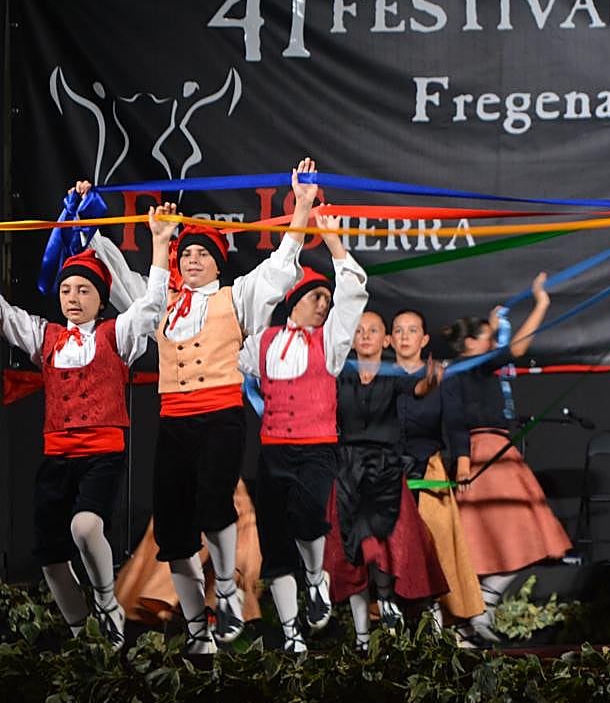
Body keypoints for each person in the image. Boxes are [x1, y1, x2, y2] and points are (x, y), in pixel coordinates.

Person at [87, 159, 316, 652]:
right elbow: (120, 274)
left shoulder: (236, 297)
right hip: (173, 420)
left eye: (201, 254)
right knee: (172, 535)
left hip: (221, 413)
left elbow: (281, 264)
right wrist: (85, 217)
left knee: (215, 504)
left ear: (217, 263)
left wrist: (299, 205)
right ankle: (197, 629)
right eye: (185, 253)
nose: (191, 260)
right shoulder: (160, 302)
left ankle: (229, 593)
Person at [0, 204, 175, 648]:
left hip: (102, 452)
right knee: (50, 557)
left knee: (84, 527)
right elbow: (4, 315)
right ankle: (83, 634)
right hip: (57, 455)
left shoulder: (118, 335)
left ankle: (106, 600)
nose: (73, 298)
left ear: (101, 298)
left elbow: (152, 305)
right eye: (66, 290)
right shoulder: (46, 337)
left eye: (83, 290)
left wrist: (158, 242)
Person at [239, 212, 367, 653]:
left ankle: (316, 579)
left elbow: (352, 292)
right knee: (275, 543)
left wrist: (332, 242)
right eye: (316, 296)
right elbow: (221, 356)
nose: (324, 304)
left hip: (316, 448)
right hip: (273, 450)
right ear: (293, 300)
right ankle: (292, 633)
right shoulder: (263, 342)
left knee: (311, 516)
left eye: (325, 299)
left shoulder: (328, 344)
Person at [442, 273, 572, 642]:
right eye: (486, 337)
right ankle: (475, 614)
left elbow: (503, 351)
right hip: (483, 455)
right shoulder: (465, 368)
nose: (493, 341)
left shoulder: (470, 367)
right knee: (494, 540)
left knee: (516, 539)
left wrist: (494, 326)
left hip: (497, 452)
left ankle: (483, 606)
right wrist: (542, 303)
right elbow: (514, 349)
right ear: (470, 343)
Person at [323, 311, 448, 651]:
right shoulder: (339, 375)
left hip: (385, 474)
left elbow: (418, 388)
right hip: (347, 472)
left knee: (384, 552)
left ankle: (387, 604)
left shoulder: (395, 375)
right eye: (359, 330)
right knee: (353, 559)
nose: (365, 336)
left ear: (386, 340)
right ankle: (363, 638)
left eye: (373, 330)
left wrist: (430, 382)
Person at [390, 308, 485, 628]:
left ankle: (437, 613)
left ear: (424, 338)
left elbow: (457, 428)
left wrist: (462, 468)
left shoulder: (445, 379)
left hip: (428, 471)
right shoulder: (376, 376)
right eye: (399, 331)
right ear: (389, 339)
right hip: (386, 473)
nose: (405, 337)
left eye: (412, 330)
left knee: (436, 540)